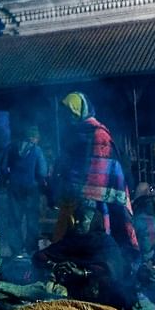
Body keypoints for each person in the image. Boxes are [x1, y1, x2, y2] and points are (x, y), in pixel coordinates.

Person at [52, 91, 138, 259]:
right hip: (74, 197)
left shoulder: (100, 134)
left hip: (101, 198)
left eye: (72, 112)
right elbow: (66, 163)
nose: (68, 117)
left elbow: (106, 167)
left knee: (98, 236)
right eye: (66, 113)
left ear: (80, 111)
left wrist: (88, 189)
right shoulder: (72, 134)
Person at [0, 125, 48, 257]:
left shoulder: (11, 147)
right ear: (34, 137)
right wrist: (40, 181)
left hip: (14, 188)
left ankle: (16, 250)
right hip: (32, 189)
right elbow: (42, 171)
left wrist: (7, 179)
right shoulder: (37, 151)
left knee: (15, 219)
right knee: (32, 218)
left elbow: (3, 167)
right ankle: (31, 248)